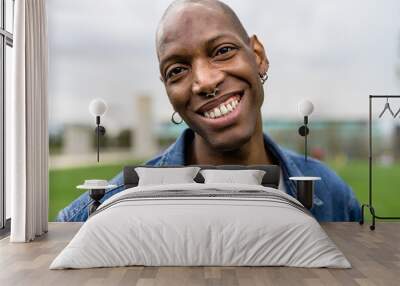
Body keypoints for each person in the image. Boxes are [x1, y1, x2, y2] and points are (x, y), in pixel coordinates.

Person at [57, 0, 361, 222]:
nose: (205, 81)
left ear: (258, 56)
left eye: (222, 51)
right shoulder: (106, 206)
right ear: (167, 91)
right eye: (178, 70)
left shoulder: (332, 193)